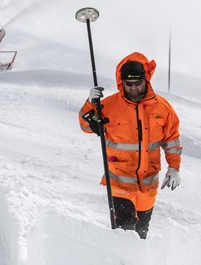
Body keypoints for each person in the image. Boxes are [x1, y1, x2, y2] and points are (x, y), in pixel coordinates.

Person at [78, 52, 182, 239]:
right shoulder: (108, 105)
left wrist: (174, 167)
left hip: (148, 185)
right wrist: (90, 104)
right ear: (122, 83)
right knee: (125, 233)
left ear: (145, 80)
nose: (133, 88)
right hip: (119, 183)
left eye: (138, 83)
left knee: (141, 233)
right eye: (129, 84)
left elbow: (171, 140)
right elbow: (85, 126)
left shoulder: (162, 108)